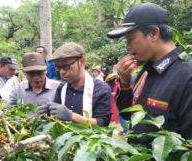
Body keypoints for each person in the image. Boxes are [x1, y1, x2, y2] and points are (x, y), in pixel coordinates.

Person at [107, 2, 192, 143]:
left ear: (154, 33)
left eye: (130, 39)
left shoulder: (186, 76)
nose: (128, 47)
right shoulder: (147, 71)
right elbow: (132, 116)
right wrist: (125, 83)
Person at [36, 42, 111, 126]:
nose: (62, 72)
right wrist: (47, 114)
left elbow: (103, 123)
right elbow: (57, 118)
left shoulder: (100, 89)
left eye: (66, 66)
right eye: (58, 67)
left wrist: (72, 116)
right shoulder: (62, 88)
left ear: (82, 61)